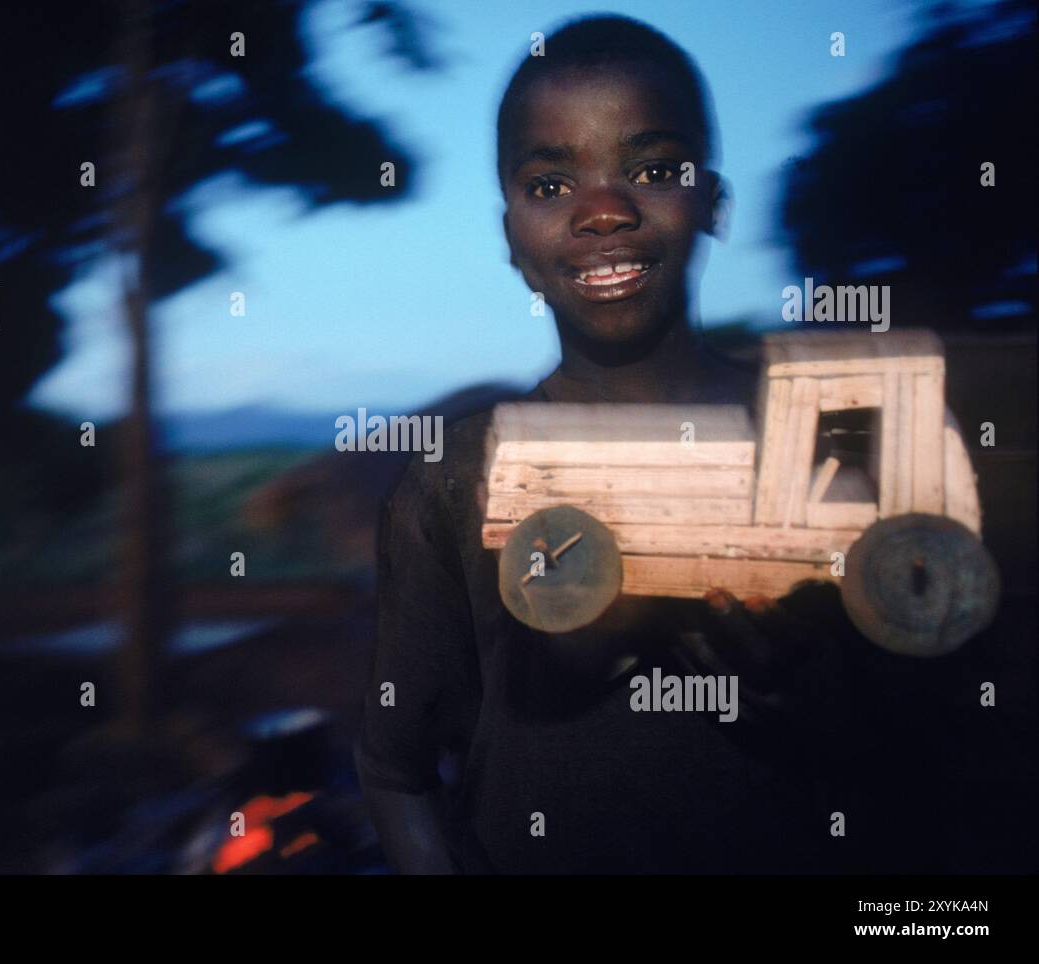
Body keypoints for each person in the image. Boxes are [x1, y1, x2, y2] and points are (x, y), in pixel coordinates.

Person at [356, 15, 877, 874]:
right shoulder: (456, 479)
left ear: (712, 202)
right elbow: (391, 768)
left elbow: (923, 743)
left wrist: (807, 700)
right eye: (550, 184)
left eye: (652, 169)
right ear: (512, 241)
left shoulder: (823, 441)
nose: (604, 209)